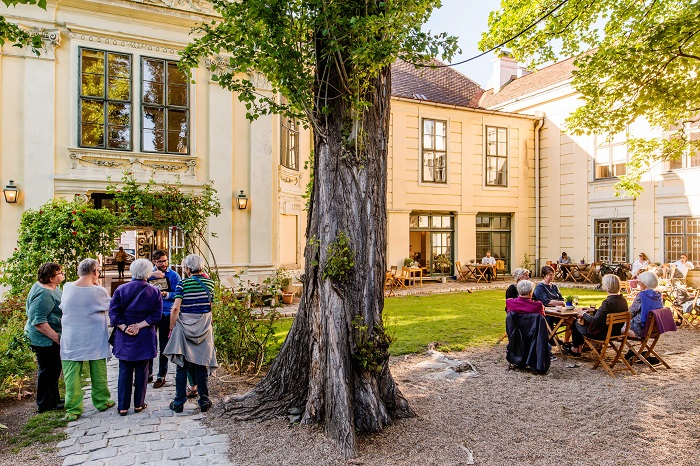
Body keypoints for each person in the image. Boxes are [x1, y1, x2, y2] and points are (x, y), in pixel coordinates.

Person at [59, 258, 115, 421]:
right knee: (98, 370)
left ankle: (73, 408)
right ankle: (101, 400)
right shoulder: (98, 291)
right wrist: (97, 286)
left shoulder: (67, 287)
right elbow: (110, 306)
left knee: (71, 374)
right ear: (94, 272)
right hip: (93, 336)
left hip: (71, 335)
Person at [165, 254, 218, 414]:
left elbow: (175, 308)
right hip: (203, 328)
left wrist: (171, 327)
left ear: (187, 269)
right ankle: (204, 401)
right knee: (201, 365)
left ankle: (179, 402)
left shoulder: (182, 284)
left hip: (184, 328)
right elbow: (209, 306)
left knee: (182, 366)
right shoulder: (210, 283)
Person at [109, 259, 162, 416]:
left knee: (124, 370)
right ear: (148, 273)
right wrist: (139, 325)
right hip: (144, 335)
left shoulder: (121, 289)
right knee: (142, 370)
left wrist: (125, 328)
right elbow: (157, 315)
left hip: (125, 336)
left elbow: (113, 313)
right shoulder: (154, 291)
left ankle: (123, 406)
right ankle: (139, 404)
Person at [25, 262, 65, 413]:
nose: (62, 275)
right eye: (59, 273)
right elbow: (38, 321)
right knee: (48, 370)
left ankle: (54, 398)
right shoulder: (44, 294)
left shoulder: (51, 288)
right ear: (50, 278)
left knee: (54, 369)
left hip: (50, 337)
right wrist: (56, 338)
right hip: (44, 339)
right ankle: (45, 403)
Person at [566, 274, 628, 357]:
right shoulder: (623, 300)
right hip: (616, 331)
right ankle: (578, 348)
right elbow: (607, 313)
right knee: (579, 323)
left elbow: (595, 320)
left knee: (576, 322)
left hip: (602, 334)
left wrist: (583, 314)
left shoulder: (607, 303)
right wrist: (594, 310)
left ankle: (576, 349)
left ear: (607, 286)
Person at [148, 250, 181, 389]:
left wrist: (167, 294)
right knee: (149, 344)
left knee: (163, 345)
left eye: (165, 260)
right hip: (150, 312)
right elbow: (136, 284)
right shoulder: (147, 274)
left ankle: (162, 375)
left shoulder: (173, 275)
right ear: (154, 261)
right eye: (160, 261)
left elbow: (178, 293)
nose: (164, 264)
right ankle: (147, 373)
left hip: (166, 313)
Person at [626, 271, 664, 338]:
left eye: (640, 282)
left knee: (616, 326)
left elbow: (631, 312)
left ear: (645, 284)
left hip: (640, 328)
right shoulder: (658, 295)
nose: (638, 283)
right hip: (655, 328)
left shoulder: (642, 295)